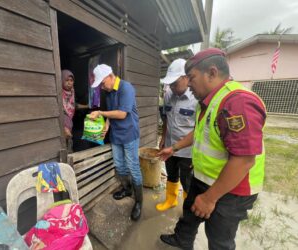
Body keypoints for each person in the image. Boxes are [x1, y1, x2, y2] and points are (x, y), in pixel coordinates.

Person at [158, 48, 266, 250]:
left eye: (192, 78)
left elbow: (244, 160)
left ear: (212, 73)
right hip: (205, 177)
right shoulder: (207, 101)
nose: (189, 84)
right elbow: (198, 133)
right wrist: (173, 148)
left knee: (219, 239)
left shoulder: (237, 102)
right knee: (190, 213)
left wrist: (209, 198)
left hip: (231, 189)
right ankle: (182, 240)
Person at [88, 64, 143, 221]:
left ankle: (139, 202)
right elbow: (112, 114)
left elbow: (122, 113)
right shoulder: (109, 92)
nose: (102, 88)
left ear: (110, 76)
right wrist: (106, 125)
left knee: (133, 167)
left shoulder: (126, 88)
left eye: (102, 83)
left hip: (130, 134)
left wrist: (100, 112)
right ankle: (127, 189)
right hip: (116, 135)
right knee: (119, 165)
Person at [157, 59, 197, 212]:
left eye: (175, 83)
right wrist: (163, 138)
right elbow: (166, 118)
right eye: (170, 84)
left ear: (186, 78)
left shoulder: (196, 99)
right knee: (171, 174)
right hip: (169, 146)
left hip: (187, 151)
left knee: (187, 181)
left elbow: (199, 129)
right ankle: (171, 200)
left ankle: (187, 209)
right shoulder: (168, 95)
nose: (172, 87)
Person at [61, 69, 88, 152]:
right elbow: (61, 110)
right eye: (66, 80)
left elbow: (74, 105)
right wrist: (64, 126)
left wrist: (87, 106)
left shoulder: (72, 92)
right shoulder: (59, 93)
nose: (69, 83)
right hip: (63, 125)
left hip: (69, 124)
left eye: (71, 80)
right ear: (61, 80)